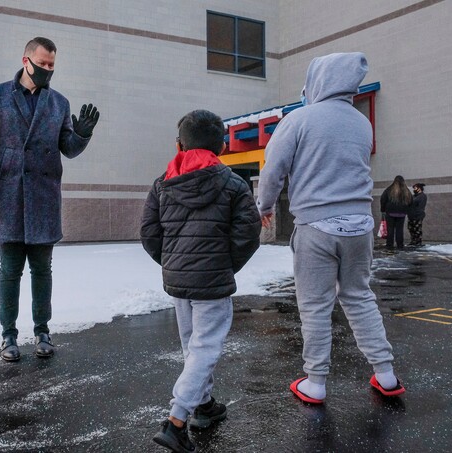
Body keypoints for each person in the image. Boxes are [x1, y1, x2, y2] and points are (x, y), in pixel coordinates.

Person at [257, 52, 405, 405]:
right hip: (359, 225)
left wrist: (264, 205)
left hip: (317, 226)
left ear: (318, 80)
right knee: (359, 296)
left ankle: (316, 381)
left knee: (315, 305)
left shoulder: (299, 119)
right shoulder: (360, 123)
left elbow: (273, 168)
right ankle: (385, 374)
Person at [141, 110, 261, 452]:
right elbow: (248, 234)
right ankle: (176, 421)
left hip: (178, 279)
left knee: (193, 347)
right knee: (204, 349)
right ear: (221, 147)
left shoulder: (163, 182)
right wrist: (222, 266)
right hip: (211, 281)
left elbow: (149, 232)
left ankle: (204, 405)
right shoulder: (234, 184)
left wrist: (174, 263)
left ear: (179, 145)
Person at [0, 37, 100, 361]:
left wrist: (82, 134)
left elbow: (68, 149)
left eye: (52, 66)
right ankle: (9, 336)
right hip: (9, 196)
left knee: (42, 270)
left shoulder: (58, 102)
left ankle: (42, 331)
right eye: (42, 64)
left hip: (44, 197)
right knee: (10, 270)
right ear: (26, 60)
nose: (47, 70)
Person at [380, 175, 413, 250]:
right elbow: (411, 201)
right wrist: (407, 210)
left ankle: (389, 245)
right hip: (402, 214)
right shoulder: (406, 190)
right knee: (399, 230)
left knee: (390, 229)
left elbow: (383, 199)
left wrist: (383, 210)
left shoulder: (389, 189)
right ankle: (400, 245)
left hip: (390, 212)